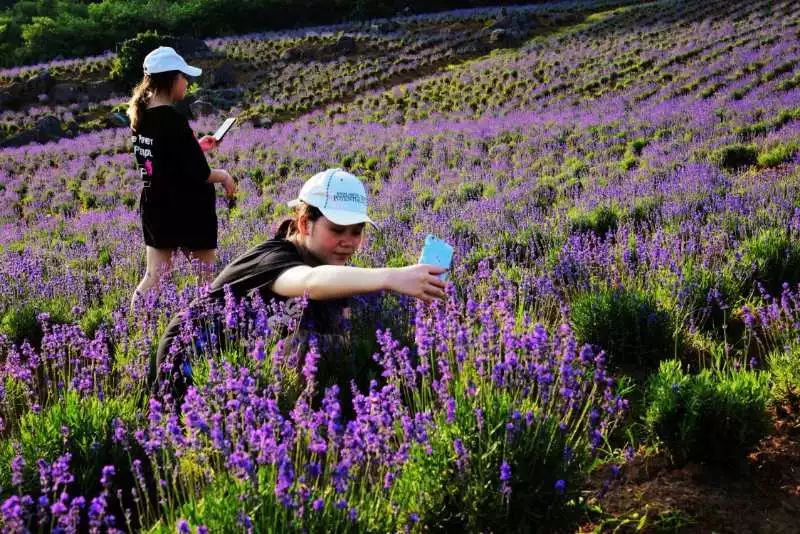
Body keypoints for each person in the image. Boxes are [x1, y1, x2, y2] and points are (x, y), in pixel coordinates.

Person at [150, 168, 447, 408]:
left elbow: (343, 327)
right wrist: (390, 277)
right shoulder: (273, 258)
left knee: (332, 346)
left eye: (356, 232)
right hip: (191, 362)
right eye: (337, 230)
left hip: (240, 367)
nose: (348, 241)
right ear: (305, 223)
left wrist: (419, 311)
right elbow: (309, 283)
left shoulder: (331, 272)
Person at [127, 46, 237, 311]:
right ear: (171, 79)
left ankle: (134, 323)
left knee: (153, 276)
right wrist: (224, 176)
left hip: (157, 204)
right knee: (205, 280)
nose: (187, 82)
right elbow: (200, 173)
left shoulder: (141, 116)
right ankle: (207, 327)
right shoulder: (173, 119)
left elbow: (164, 157)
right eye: (183, 76)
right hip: (188, 207)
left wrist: (196, 146)